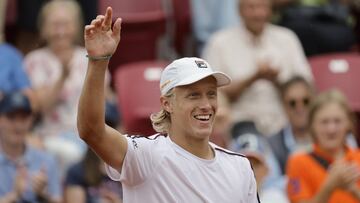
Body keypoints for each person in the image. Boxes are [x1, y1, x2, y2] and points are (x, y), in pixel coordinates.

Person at [77, 7, 259, 202]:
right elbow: (91, 130)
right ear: (167, 104)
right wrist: (98, 61)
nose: (206, 104)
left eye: (211, 94)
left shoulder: (240, 166)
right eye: (194, 95)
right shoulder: (145, 156)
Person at [203, 0, 313, 135]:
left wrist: (277, 80)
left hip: (284, 123)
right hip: (240, 123)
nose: (258, 14)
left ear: (271, 10)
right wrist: (252, 78)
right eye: (251, 7)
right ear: (239, 11)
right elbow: (211, 93)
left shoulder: (287, 38)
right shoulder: (219, 42)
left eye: (263, 7)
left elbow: (306, 87)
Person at [24, 0, 108, 177]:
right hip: (47, 136)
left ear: (76, 27)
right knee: (67, 155)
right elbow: (38, 106)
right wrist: (62, 77)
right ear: (44, 28)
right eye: (55, 25)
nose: (60, 31)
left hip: (86, 137)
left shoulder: (90, 58)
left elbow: (102, 104)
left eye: (66, 24)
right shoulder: (34, 60)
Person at [286, 90, 360, 203]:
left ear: (349, 123)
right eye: (324, 122)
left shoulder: (358, 158)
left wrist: (353, 189)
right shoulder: (298, 162)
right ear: (312, 125)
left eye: (337, 121)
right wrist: (329, 187)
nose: (331, 129)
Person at [0, 91, 61, 203]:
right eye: (11, 117)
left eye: (23, 118)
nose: (18, 125)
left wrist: (42, 195)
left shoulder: (47, 161)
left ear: (30, 120)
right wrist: (13, 196)